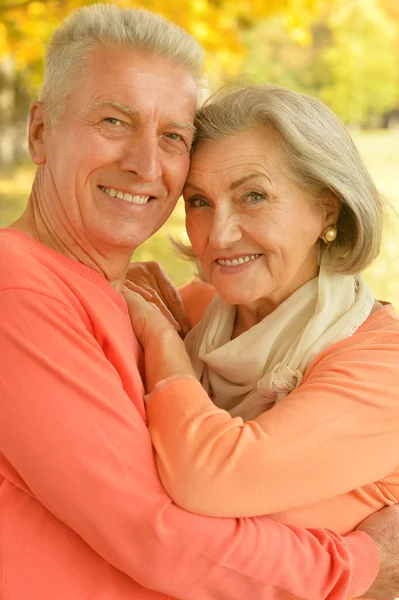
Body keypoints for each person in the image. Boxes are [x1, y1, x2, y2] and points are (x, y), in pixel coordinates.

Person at [0, 4, 398, 598]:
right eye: (112, 121)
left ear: (327, 210)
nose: (144, 164)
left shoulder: (165, 308)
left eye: (172, 137)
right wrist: (364, 561)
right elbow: (161, 536)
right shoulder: (23, 290)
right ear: (39, 133)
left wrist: (165, 342)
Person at [122, 84, 399, 578]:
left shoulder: (383, 365)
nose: (219, 234)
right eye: (200, 201)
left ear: (327, 207)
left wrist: (163, 343)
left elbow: (206, 479)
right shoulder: (194, 308)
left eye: (254, 196)